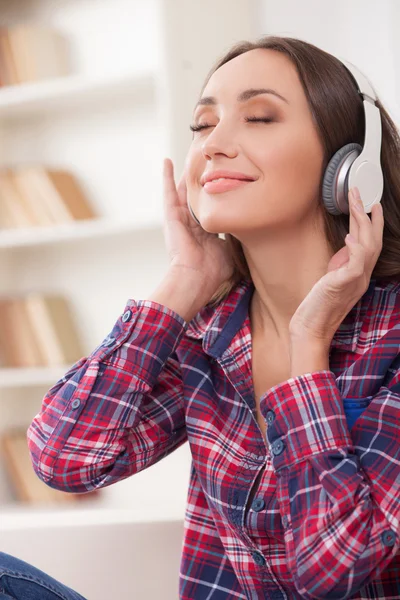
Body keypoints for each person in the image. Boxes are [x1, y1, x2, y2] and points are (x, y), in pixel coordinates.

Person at [5, 34, 399, 599]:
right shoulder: (212, 331)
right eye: (202, 124)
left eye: (259, 117)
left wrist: (308, 345)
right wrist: (182, 283)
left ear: (350, 165)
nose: (215, 144)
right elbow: (66, 459)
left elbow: (333, 568)